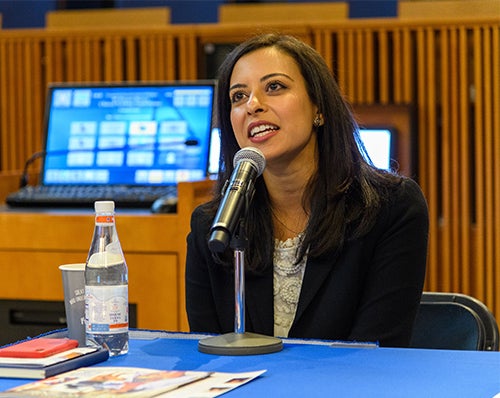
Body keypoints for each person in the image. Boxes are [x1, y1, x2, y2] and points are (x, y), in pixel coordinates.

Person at [185, 33, 429, 347]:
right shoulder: (214, 226)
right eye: (238, 97)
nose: (253, 105)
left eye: (274, 87)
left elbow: (377, 353)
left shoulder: (391, 208)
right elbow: (207, 352)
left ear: (319, 107)